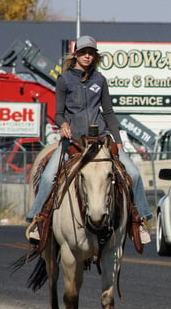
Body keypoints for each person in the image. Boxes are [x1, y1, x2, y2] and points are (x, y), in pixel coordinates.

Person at [26, 35, 152, 245]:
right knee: (48, 177)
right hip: (74, 142)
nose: (87, 56)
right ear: (76, 54)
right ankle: (37, 220)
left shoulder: (99, 80)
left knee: (134, 173)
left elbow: (109, 113)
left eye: (91, 53)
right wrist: (64, 125)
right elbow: (58, 113)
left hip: (101, 140)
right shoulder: (64, 80)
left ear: (95, 56)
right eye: (83, 52)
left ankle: (139, 221)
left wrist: (118, 141)